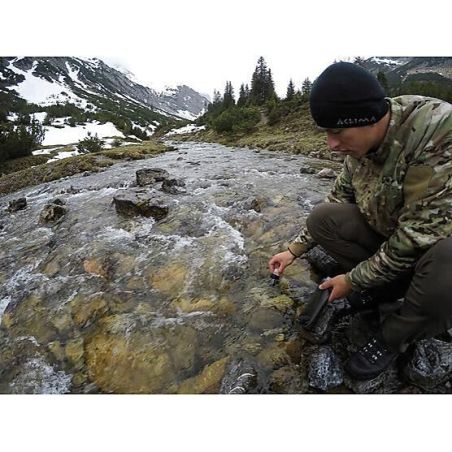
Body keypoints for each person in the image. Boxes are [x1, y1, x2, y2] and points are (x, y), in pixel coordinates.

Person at [268, 61, 452, 380]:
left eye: (337, 131)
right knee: (323, 218)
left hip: (435, 248)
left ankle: (396, 334)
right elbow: (338, 199)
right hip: (396, 241)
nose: (331, 145)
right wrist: (293, 250)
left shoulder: (436, 129)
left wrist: (352, 280)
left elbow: (418, 237)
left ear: (368, 118)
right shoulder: (360, 149)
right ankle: (387, 288)